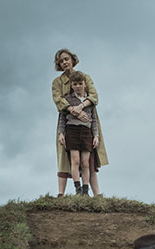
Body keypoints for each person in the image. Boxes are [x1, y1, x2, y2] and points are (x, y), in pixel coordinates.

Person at [51, 48, 109, 196]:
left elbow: (94, 96)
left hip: (87, 118)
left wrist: (81, 107)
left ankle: (95, 193)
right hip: (67, 120)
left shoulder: (85, 77)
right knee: (66, 156)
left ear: (72, 59)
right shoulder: (57, 82)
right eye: (61, 61)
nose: (64, 62)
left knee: (89, 158)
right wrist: (72, 110)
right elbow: (58, 100)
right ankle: (61, 193)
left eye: (66, 59)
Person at [58, 71, 99, 195]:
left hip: (86, 132)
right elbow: (62, 118)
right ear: (71, 85)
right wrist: (61, 133)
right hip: (72, 130)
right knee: (75, 160)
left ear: (85, 84)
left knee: (85, 162)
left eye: (80, 84)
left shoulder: (89, 101)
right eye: (75, 84)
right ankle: (78, 188)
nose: (77, 86)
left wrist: (96, 135)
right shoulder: (67, 99)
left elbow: (94, 120)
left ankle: (86, 190)